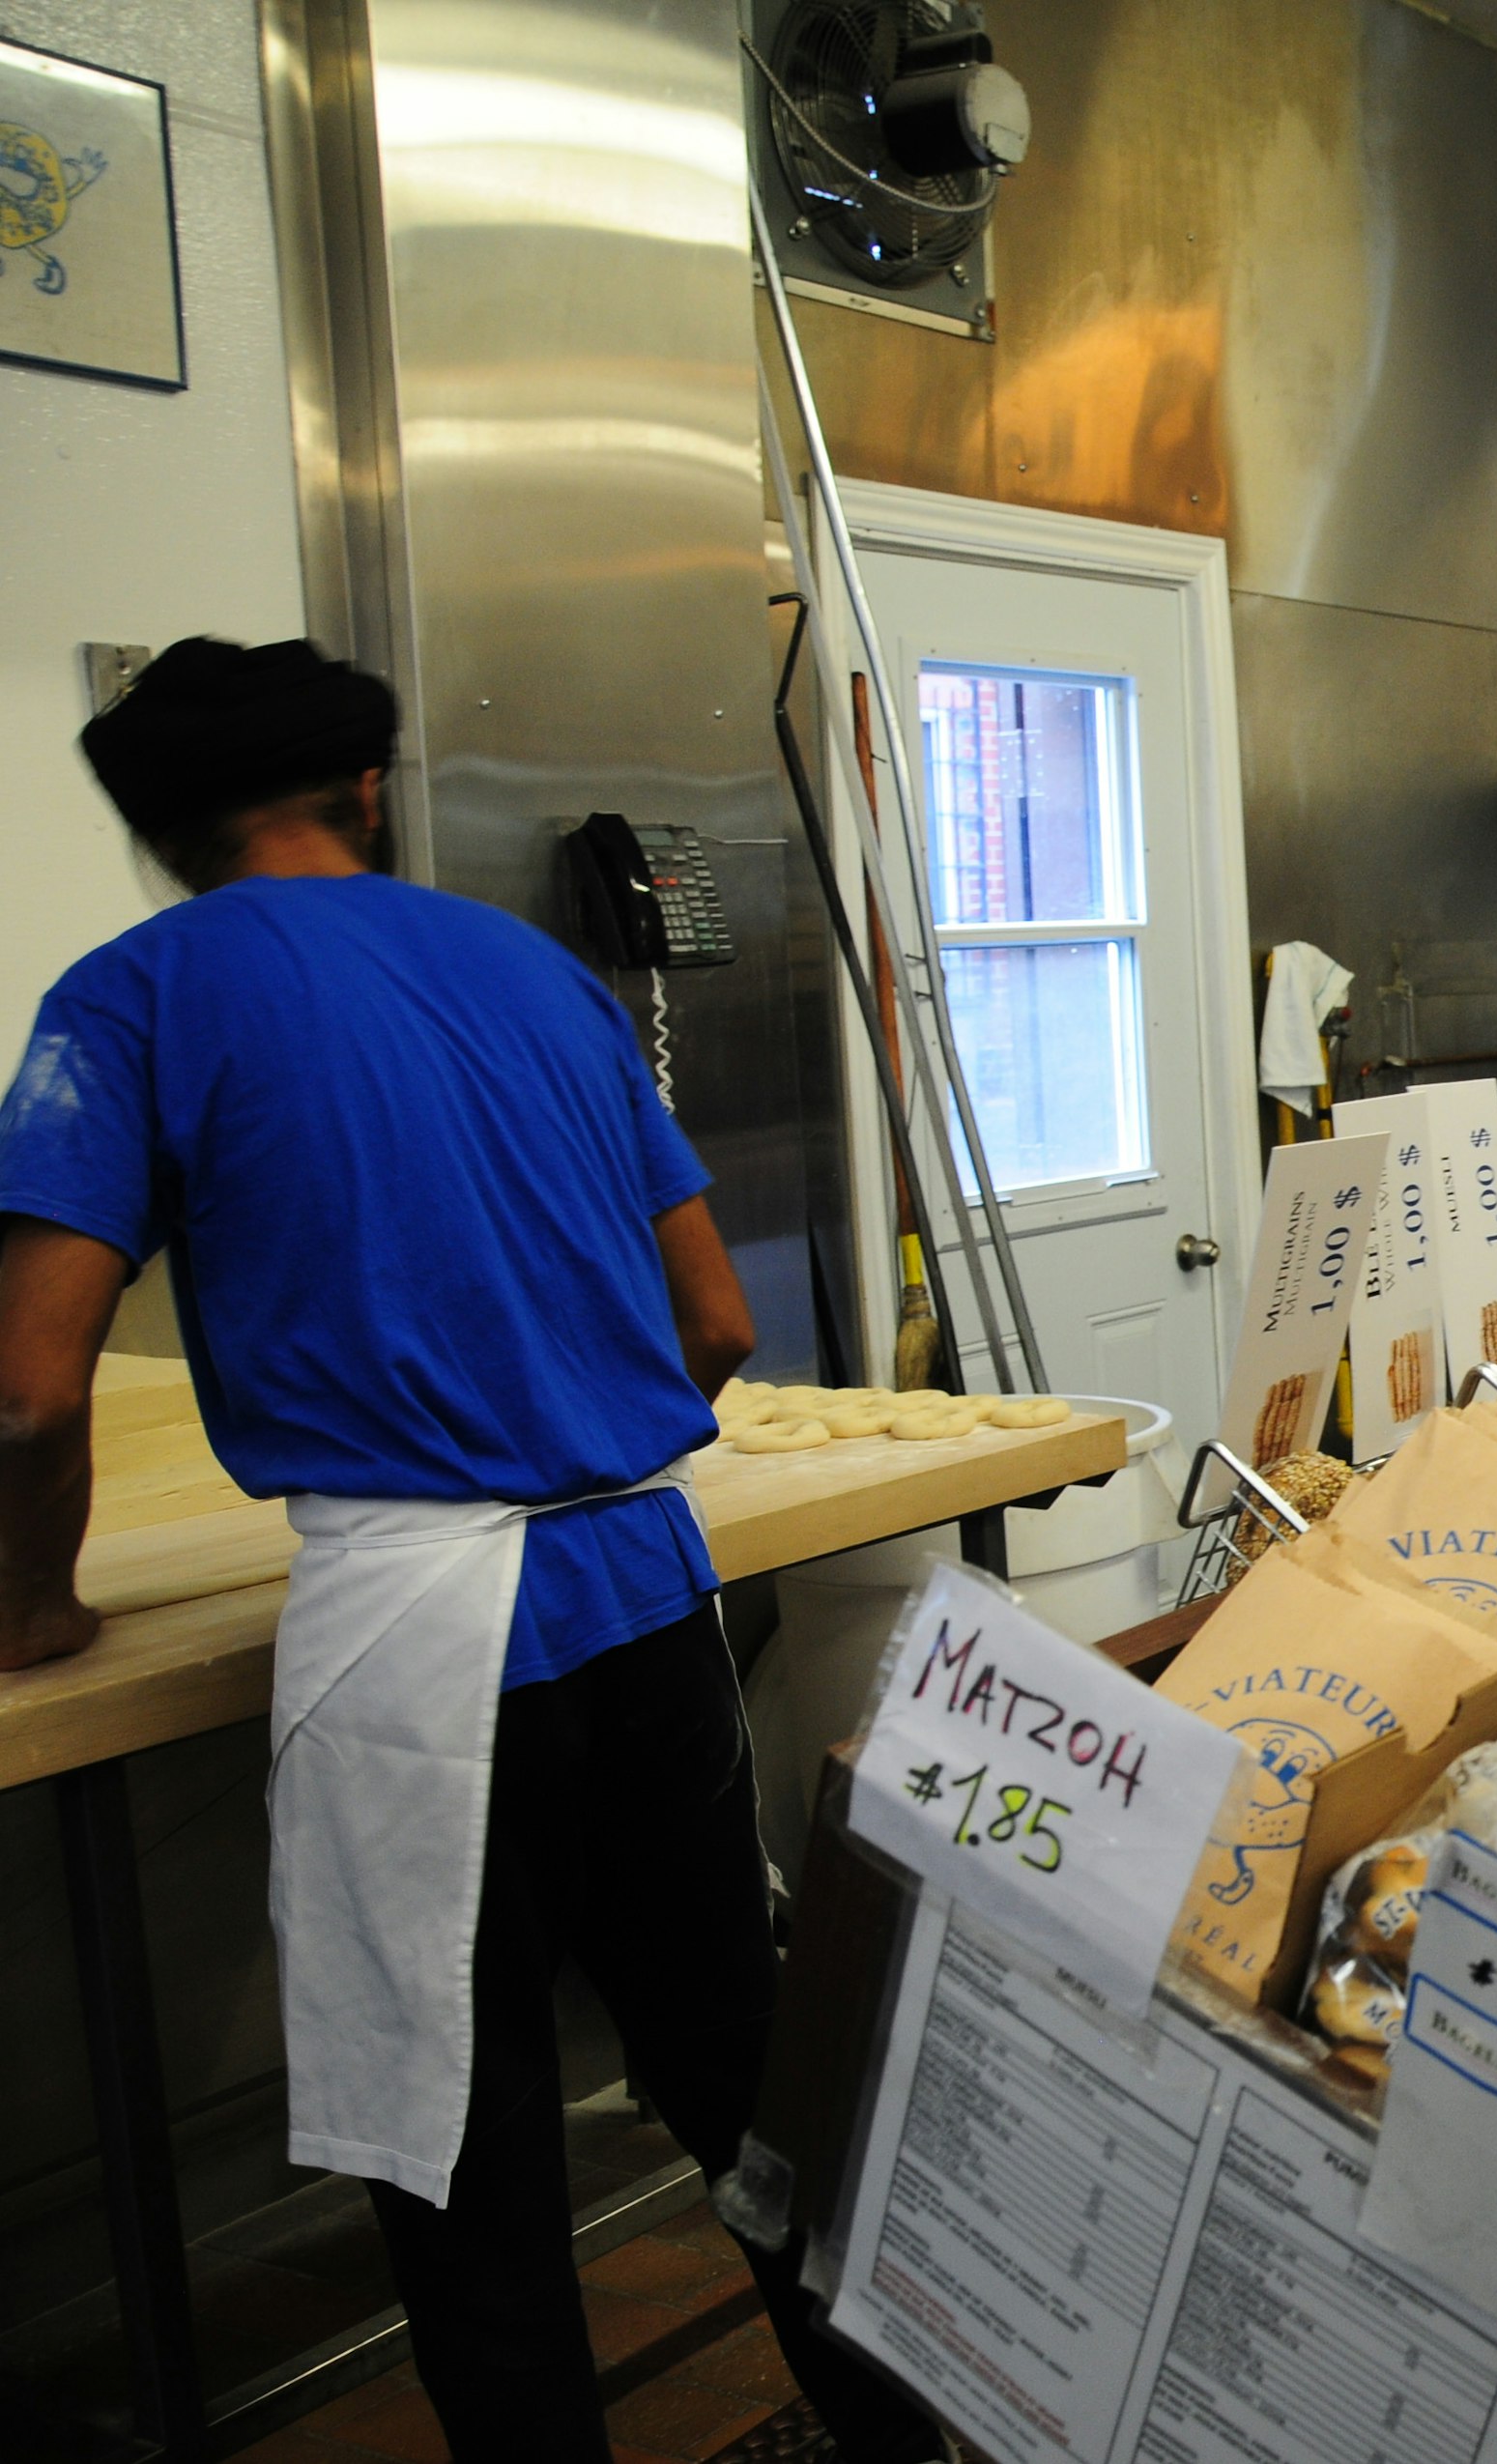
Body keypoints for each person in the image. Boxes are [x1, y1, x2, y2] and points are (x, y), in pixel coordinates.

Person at [0, 642, 945, 2464]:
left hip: (426, 1649)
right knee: (740, 2084)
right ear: (364, 792)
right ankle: (902, 2436)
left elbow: (29, 1397)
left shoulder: (130, 999)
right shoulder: (536, 974)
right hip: (649, 1600)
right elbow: (715, 1324)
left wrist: (32, 1602)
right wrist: (547, 1390)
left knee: (464, 2149)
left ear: (160, 835)